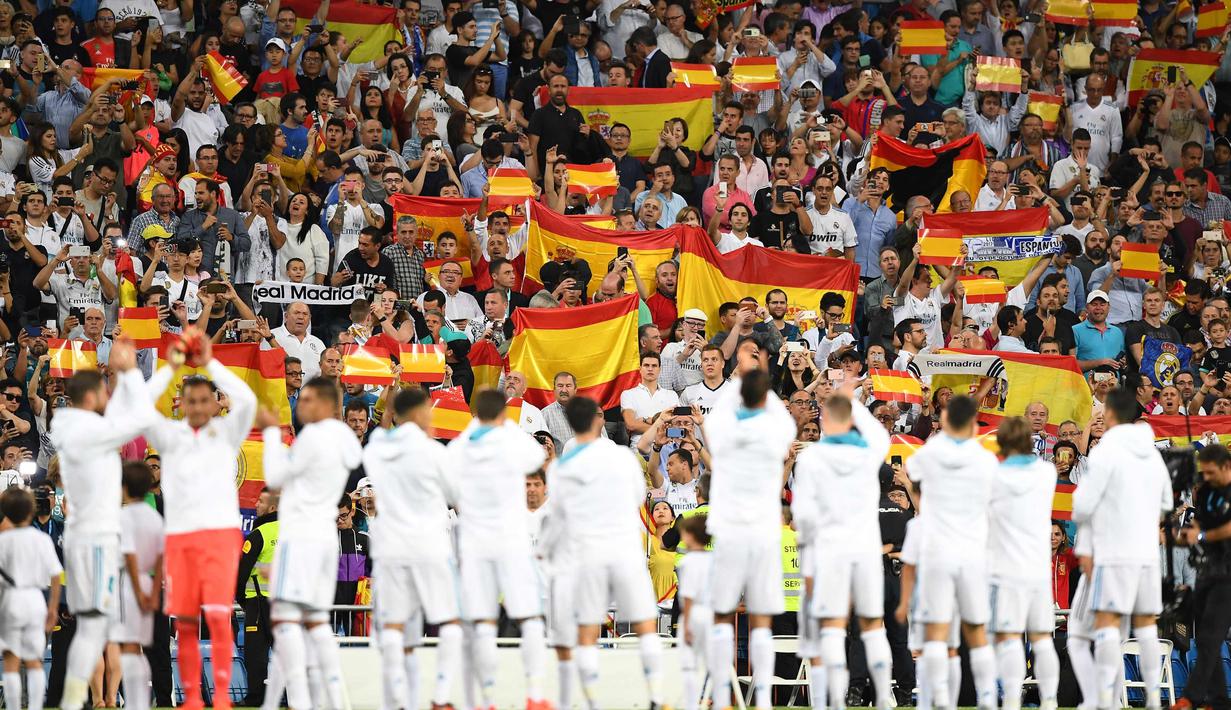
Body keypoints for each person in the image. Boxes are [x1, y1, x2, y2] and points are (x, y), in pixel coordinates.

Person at [143, 328, 257, 710]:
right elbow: (140, 406)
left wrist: (210, 361)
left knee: (220, 617)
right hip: (181, 537)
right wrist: (172, 365)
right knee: (187, 621)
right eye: (190, 399)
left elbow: (248, 399)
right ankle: (192, 696)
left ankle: (221, 696)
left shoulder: (227, 434)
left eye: (204, 399)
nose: (196, 405)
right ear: (181, 403)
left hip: (220, 536)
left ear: (214, 404)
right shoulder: (170, 436)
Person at [539, 395, 664, 708]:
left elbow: (557, 517)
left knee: (587, 629)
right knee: (646, 623)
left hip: (588, 555)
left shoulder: (562, 468)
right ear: (598, 422)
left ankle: (592, 699)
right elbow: (638, 497)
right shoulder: (621, 457)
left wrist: (545, 549)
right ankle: (656, 693)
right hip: (624, 551)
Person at [49, 338, 148, 710]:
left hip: (82, 539)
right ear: (92, 397)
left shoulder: (69, 426)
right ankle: (82, 700)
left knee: (93, 629)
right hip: (97, 540)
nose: (108, 395)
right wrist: (130, 371)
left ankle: (81, 701)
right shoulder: (88, 431)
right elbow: (138, 419)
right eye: (104, 390)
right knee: (97, 629)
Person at [260, 376, 364, 710]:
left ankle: (300, 702)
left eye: (306, 400)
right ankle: (335, 701)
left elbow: (275, 479)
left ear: (325, 403)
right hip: (323, 537)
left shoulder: (313, 437)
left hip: (300, 533)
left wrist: (271, 436)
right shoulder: (345, 439)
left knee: (287, 621)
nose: (300, 406)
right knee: (317, 623)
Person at [791, 378, 894, 710]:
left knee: (833, 628)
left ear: (823, 422)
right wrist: (852, 399)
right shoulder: (871, 452)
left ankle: (834, 701)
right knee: (872, 627)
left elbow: (802, 515)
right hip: (865, 548)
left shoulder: (812, 459)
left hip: (830, 549)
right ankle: (882, 699)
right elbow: (877, 432)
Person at [362, 387, 464, 710]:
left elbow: (380, 435)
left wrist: (390, 412)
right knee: (449, 623)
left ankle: (396, 701)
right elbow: (456, 493)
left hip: (390, 546)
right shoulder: (434, 452)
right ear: (420, 412)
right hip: (428, 546)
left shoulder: (377, 448)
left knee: (394, 627)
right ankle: (441, 696)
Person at [447, 389, 549, 709]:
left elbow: (450, 488)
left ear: (476, 413)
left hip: (476, 542)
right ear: (503, 414)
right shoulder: (511, 438)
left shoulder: (460, 444)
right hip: (511, 539)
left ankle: (487, 699)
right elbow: (536, 457)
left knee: (484, 622)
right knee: (530, 618)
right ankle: (534, 694)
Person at [1072, 386, 1172, 710]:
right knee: (1145, 627)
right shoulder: (1153, 454)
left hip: (1114, 554)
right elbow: (1167, 503)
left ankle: (1105, 699)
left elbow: (1085, 504)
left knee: (1107, 626)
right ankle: (1155, 701)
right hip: (1146, 554)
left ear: (1111, 414)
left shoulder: (1107, 451)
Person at [702, 370, 797, 710]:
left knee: (723, 612)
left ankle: (724, 695)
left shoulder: (725, 428)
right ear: (766, 397)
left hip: (729, 530)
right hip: (763, 531)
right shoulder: (777, 429)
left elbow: (716, 418)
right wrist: (759, 385)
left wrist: (738, 380)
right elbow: (783, 418)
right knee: (760, 617)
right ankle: (762, 701)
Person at [905, 394, 1000, 710]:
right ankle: (986, 700)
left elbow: (912, 471)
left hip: (938, 554)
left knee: (939, 634)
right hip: (973, 555)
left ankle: (941, 702)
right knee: (974, 632)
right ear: (973, 423)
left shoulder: (932, 452)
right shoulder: (985, 458)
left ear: (945, 420)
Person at [988, 417, 1060, 710]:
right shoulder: (1046, 472)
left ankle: (1013, 700)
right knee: (1042, 638)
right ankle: (1050, 701)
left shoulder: (993, 475)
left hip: (1006, 568)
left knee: (1009, 638)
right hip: (1037, 567)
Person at [1175, 444, 1231, 710]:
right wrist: (1184, 534)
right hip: (1207, 571)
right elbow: (1201, 523)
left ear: (1226, 467)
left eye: (1210, 473)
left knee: (1210, 636)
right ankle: (1218, 701)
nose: (1205, 478)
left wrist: (1202, 535)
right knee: (1207, 638)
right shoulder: (1207, 491)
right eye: (1203, 473)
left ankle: (1191, 697)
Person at [0, 486, 63, 710]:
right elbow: (56, 575)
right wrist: (53, 607)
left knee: (11, 659)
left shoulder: (3, 540)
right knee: (35, 660)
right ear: (31, 511)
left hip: (11, 600)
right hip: (36, 599)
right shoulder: (41, 540)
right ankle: (36, 706)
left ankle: (14, 706)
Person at [110, 462, 164, 710]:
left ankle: (135, 702)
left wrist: (136, 589)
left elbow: (129, 554)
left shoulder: (124, 515)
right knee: (143, 644)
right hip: (151, 581)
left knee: (130, 646)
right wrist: (153, 592)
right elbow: (162, 556)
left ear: (124, 486)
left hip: (129, 582)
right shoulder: (155, 516)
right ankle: (140, 701)